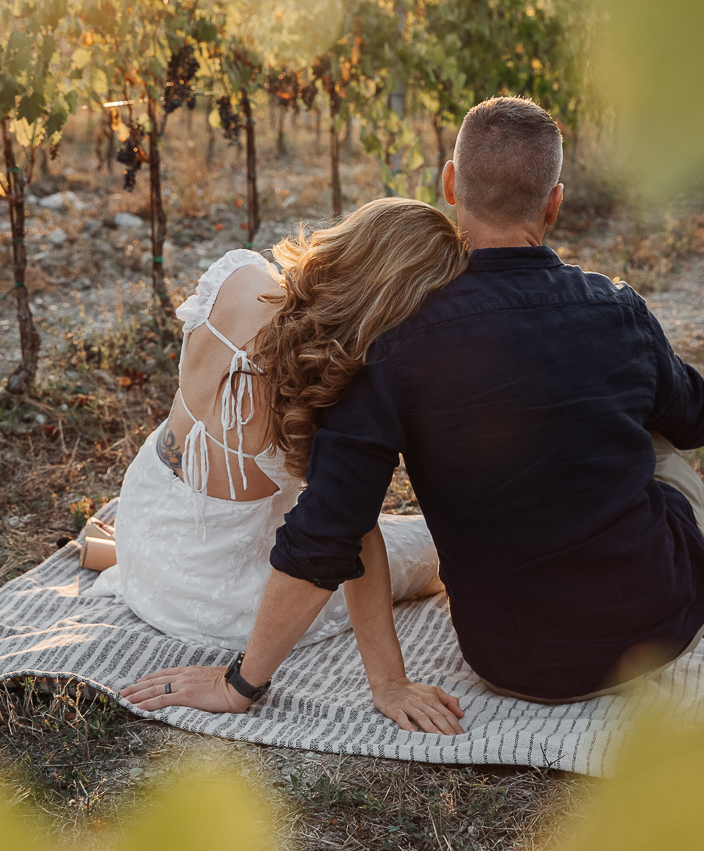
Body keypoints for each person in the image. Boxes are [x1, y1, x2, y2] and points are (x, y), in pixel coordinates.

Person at [124, 97, 704, 718]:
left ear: (449, 185)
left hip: (513, 662)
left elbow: (328, 534)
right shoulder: (617, 308)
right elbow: (700, 424)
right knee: (655, 425)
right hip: (658, 626)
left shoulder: (390, 347)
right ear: (554, 203)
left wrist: (242, 684)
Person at [104, 199, 469, 733]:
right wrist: (389, 683)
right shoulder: (296, 393)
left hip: (143, 523)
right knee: (435, 546)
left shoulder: (241, 275)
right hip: (205, 592)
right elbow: (348, 535)